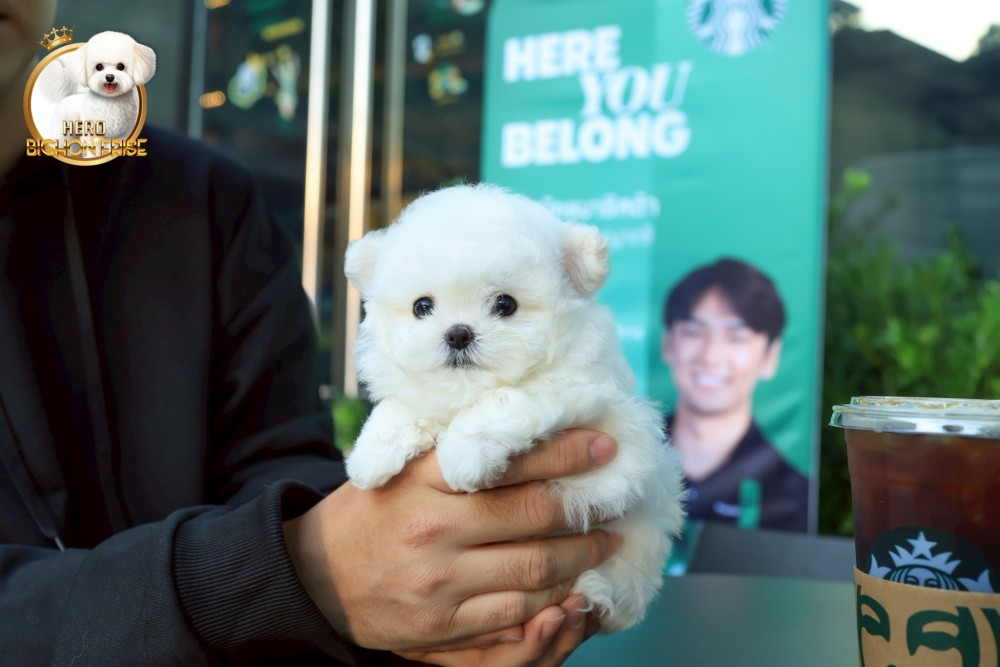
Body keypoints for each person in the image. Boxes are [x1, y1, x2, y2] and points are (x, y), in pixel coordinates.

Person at [0, 2, 620, 664]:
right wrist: (295, 574)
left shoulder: (202, 198)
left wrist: (428, 594)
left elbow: (281, 461)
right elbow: (306, 561)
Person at [661, 257, 808, 532]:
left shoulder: (794, 495)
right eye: (694, 332)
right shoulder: (626, 462)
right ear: (668, 343)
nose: (710, 357)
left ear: (770, 356)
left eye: (737, 337)